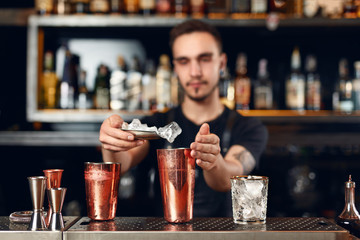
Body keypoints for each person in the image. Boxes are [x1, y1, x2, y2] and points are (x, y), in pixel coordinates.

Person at [99, 19, 268, 217]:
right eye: (184, 61)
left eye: (204, 59)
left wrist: (214, 162)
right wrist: (111, 144)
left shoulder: (248, 127)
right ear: (175, 68)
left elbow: (228, 179)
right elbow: (122, 163)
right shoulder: (157, 124)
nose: (195, 72)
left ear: (221, 63)